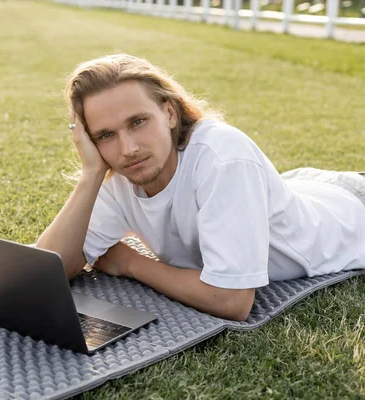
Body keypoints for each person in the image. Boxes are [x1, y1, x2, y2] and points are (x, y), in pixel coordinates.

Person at [35, 54, 365, 321]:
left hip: (352, 212)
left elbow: (232, 300)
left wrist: (133, 264)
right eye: (106, 135)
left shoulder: (222, 157)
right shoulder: (121, 173)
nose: (128, 148)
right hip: (304, 188)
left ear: (169, 113)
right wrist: (91, 174)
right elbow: (42, 275)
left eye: (138, 122)